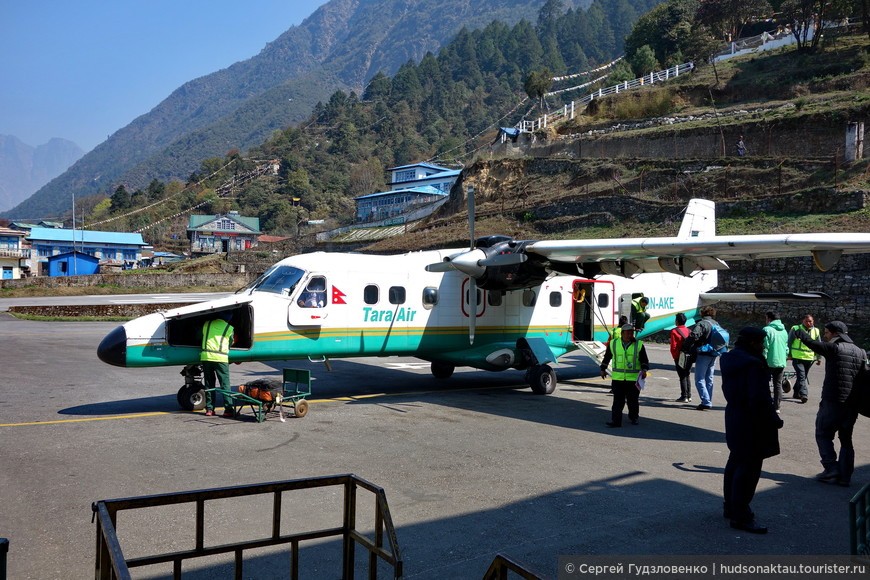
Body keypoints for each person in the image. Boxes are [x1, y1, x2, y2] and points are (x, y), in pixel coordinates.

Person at [721, 327, 783, 534]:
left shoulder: (731, 359)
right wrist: (774, 419)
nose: (763, 346)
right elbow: (759, 399)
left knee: (735, 462)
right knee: (748, 470)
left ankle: (730, 506)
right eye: (760, 343)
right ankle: (741, 515)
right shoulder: (753, 365)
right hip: (752, 422)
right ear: (752, 343)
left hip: (735, 416)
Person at [793, 321, 865, 487]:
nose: (825, 336)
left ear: (835, 334)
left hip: (833, 401)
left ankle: (831, 467)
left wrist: (799, 332)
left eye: (826, 333)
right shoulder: (861, 352)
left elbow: (813, 344)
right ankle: (845, 476)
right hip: (852, 404)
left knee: (823, 433)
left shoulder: (834, 348)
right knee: (846, 439)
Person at [600, 324, 649, 427]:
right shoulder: (613, 343)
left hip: (633, 379)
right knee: (618, 401)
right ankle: (616, 421)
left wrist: (644, 370)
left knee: (633, 401)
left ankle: (634, 417)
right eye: (628, 333)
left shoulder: (638, 345)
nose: (630, 335)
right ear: (622, 333)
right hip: (618, 379)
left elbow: (644, 360)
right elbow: (607, 357)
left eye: (631, 333)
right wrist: (603, 369)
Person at [683, 305, 720, 410]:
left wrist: (686, 346)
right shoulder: (715, 323)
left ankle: (706, 401)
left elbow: (694, 336)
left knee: (699, 378)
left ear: (702, 314)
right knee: (709, 378)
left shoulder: (702, 323)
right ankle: (708, 399)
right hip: (714, 353)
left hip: (703, 353)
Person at [201, 312, 235, 417]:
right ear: (228, 319)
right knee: (224, 385)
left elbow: (200, 335)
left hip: (206, 357)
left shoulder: (207, 324)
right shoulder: (229, 328)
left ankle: (209, 410)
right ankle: (228, 409)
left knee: (209, 384)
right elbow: (231, 342)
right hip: (221, 358)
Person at [787, 314, 821, 404]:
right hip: (797, 357)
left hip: (809, 358)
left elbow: (818, 345)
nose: (808, 323)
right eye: (806, 321)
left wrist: (819, 358)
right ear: (803, 321)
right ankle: (804, 394)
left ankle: (796, 392)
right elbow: (789, 342)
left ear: (813, 321)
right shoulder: (796, 328)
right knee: (802, 376)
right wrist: (789, 354)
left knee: (802, 376)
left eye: (810, 321)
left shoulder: (816, 331)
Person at [762, 311, 788, 412]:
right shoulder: (784, 331)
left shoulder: (767, 330)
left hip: (769, 361)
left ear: (768, 319)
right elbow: (786, 347)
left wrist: (762, 359)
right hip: (781, 361)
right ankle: (777, 406)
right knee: (777, 384)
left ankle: (766, 404)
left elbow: (765, 347)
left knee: (764, 383)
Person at [670, 313, 693, 403]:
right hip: (689, 356)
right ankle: (689, 395)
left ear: (677, 321)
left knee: (682, 376)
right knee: (687, 375)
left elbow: (673, 346)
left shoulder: (674, 331)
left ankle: (684, 396)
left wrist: (675, 357)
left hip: (680, 356)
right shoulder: (689, 331)